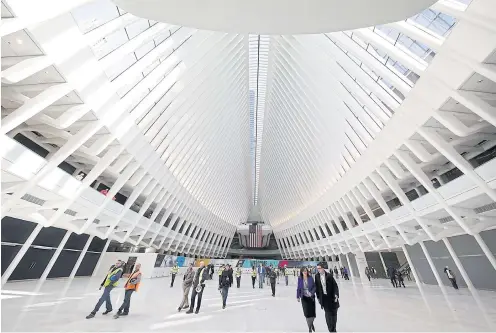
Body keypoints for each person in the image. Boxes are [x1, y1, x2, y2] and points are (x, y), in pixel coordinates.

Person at [315, 263, 340, 332]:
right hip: (324, 298)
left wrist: (336, 294)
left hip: (332, 298)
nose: (318, 270)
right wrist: (318, 298)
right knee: (328, 314)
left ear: (323, 268)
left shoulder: (329, 276)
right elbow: (317, 288)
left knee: (334, 314)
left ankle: (333, 328)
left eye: (319, 268)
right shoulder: (316, 276)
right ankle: (331, 330)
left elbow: (335, 286)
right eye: (317, 268)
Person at [297, 267, 317, 332]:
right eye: (303, 271)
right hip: (304, 298)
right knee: (307, 313)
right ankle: (309, 328)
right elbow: (298, 288)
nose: (305, 272)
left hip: (311, 297)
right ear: (301, 272)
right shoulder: (300, 279)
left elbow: (314, 287)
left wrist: (312, 293)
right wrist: (298, 296)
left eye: (306, 271)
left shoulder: (310, 278)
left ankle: (311, 324)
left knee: (312, 314)